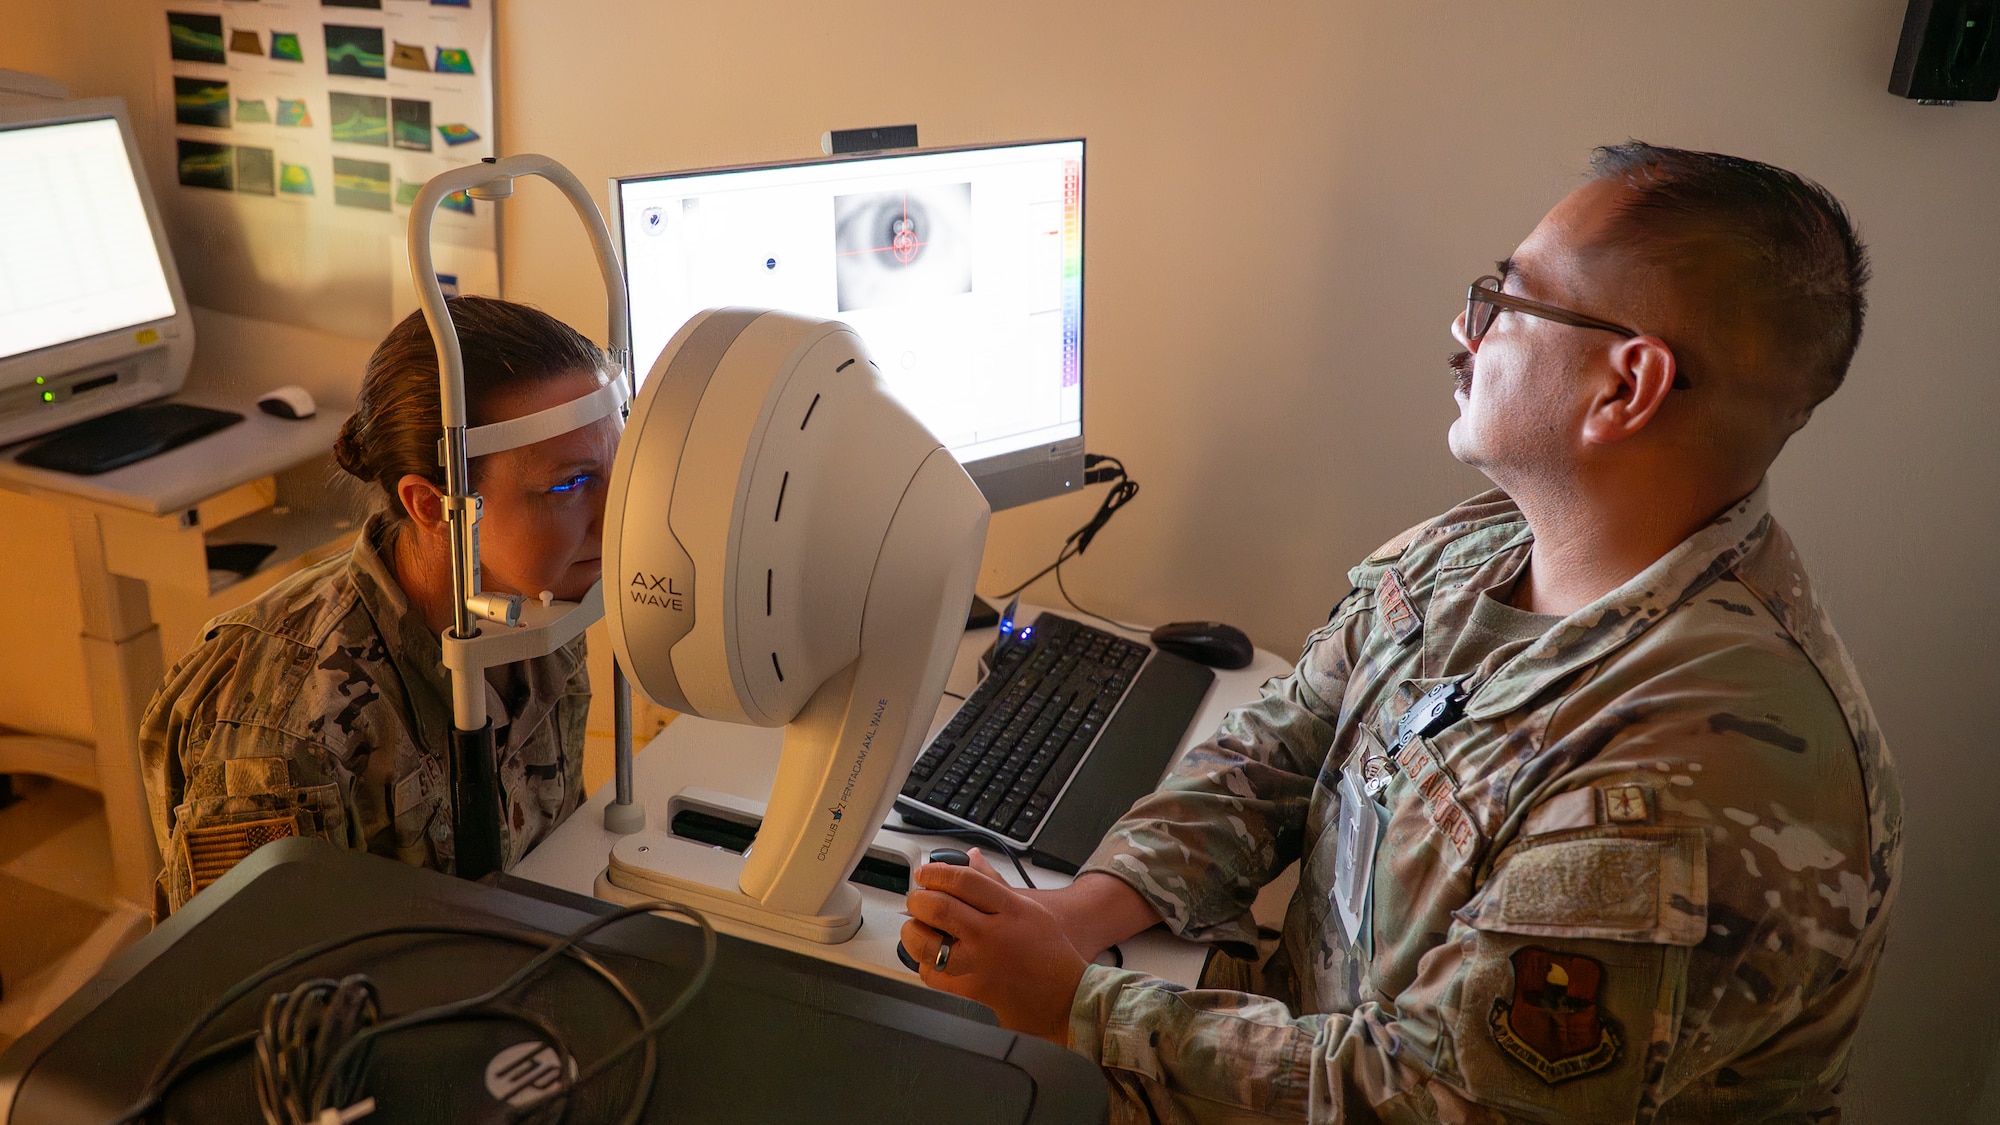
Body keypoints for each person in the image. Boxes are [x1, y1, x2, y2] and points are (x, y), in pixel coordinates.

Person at [900, 143, 1900, 1123]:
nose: (1464, 326)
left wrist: (1073, 1005)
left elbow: (1431, 1100)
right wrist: (1080, 915)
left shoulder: (1694, 776)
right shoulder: (1479, 547)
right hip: (1294, 1050)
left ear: (1624, 387)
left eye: (1506, 298)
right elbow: (1282, 744)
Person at [139, 296, 621, 916]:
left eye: (616, 469)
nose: (615, 513)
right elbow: (251, 965)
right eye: (570, 484)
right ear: (432, 506)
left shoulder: (538, 607)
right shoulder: (286, 731)